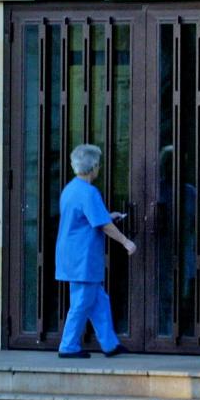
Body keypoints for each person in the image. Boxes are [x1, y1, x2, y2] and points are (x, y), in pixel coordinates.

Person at [55, 144, 136, 359]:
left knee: (98, 300)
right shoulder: (89, 192)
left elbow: (87, 218)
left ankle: (110, 344)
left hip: (71, 255)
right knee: (82, 302)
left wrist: (108, 215)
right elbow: (103, 225)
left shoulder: (70, 189)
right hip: (83, 256)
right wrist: (126, 241)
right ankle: (68, 345)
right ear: (93, 167)